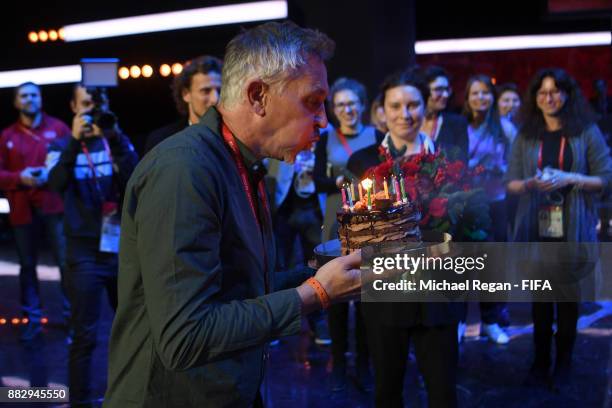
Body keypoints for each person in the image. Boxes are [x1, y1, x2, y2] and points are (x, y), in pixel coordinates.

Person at [104, 21, 363, 408]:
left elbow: (239, 289)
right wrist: (317, 293)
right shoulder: (185, 169)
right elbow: (186, 336)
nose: (324, 120)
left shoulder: (241, 163)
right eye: (313, 101)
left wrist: (324, 274)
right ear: (258, 95)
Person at [348, 69, 459, 408]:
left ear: (426, 108)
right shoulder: (363, 162)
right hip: (386, 291)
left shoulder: (448, 158)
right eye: (395, 106)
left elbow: (470, 223)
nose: (404, 114)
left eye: (412, 105)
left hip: (438, 293)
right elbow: (354, 228)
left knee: (443, 392)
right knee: (387, 391)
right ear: (382, 111)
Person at [506, 68, 612, 389]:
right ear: (534, 98)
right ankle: (539, 363)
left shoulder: (586, 131)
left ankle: (563, 363)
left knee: (567, 302)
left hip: (573, 226)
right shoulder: (526, 134)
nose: (548, 97)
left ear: (567, 95)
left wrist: (570, 179)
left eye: (555, 91)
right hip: (536, 227)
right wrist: (529, 183)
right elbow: (510, 182)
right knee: (540, 303)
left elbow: (605, 178)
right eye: (542, 92)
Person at [46, 85, 138, 406]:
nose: (91, 111)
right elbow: (55, 184)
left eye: (97, 105)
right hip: (83, 253)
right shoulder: (60, 145)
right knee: (84, 335)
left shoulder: (116, 140)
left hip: (121, 251)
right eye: (85, 105)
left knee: (130, 330)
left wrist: (113, 136)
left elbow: (136, 179)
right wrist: (74, 141)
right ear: (73, 107)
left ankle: (125, 395)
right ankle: (80, 401)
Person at [313, 77, 376, 392]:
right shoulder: (326, 139)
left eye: (352, 103)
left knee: (366, 296)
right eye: (340, 105)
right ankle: (338, 363)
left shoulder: (376, 136)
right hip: (336, 221)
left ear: (362, 105)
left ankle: (363, 365)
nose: (347, 109)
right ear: (334, 109)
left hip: (368, 225)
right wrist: (339, 181)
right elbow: (316, 181)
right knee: (335, 298)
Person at [0, 81, 71, 341]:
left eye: (34, 95)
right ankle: (31, 319)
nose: (29, 99)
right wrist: (21, 177)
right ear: (16, 102)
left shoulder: (59, 128)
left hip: (54, 206)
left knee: (65, 264)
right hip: (23, 211)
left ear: (41, 99)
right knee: (27, 266)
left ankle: (71, 320)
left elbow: (70, 164)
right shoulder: (7, 136)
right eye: (24, 96)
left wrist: (51, 175)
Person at [461, 74, 517, 344]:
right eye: (475, 93)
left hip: (496, 202)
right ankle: (460, 320)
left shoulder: (505, 128)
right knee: (461, 264)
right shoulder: (460, 126)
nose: (480, 98)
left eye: (485, 93)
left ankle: (492, 320)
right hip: (466, 204)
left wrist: (501, 170)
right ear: (467, 98)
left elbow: (517, 165)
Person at [143, 55, 222, 154]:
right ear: (186, 94)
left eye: (220, 91)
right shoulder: (161, 140)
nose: (215, 99)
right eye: (205, 91)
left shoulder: (235, 138)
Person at [419, 66, 469, 161]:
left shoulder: (457, 124)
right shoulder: (409, 121)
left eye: (447, 90)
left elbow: (462, 163)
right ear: (424, 91)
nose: (445, 95)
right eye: (439, 89)